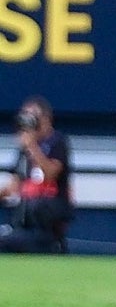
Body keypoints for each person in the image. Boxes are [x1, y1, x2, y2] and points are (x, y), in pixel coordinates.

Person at [0, 96, 73, 254]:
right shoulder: (24, 150)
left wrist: (32, 146)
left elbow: (50, 175)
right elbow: (13, 187)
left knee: (38, 207)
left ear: (45, 119)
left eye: (31, 117)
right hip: (24, 221)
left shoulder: (57, 142)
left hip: (47, 220)